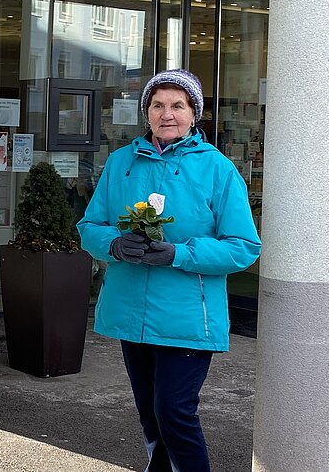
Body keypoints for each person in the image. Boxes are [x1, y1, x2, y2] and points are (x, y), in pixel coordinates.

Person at [77, 69, 261, 472]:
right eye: (158, 105)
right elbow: (89, 227)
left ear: (194, 114)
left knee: (174, 412)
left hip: (188, 316)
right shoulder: (121, 162)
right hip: (131, 312)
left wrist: (178, 253)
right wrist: (112, 244)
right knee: (150, 415)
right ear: (146, 113)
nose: (167, 114)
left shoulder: (218, 170)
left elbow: (243, 247)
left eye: (178, 105)